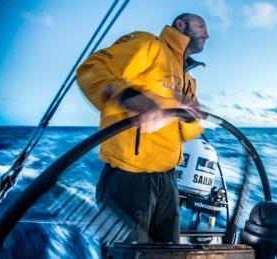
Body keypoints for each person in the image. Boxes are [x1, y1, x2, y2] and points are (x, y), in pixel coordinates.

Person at [76, 13, 209, 244]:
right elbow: (92, 69)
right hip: (129, 177)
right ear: (181, 24)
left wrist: (191, 115)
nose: (207, 34)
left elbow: (188, 133)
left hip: (168, 181)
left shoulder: (188, 80)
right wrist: (130, 97)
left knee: (168, 255)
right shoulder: (148, 45)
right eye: (201, 26)